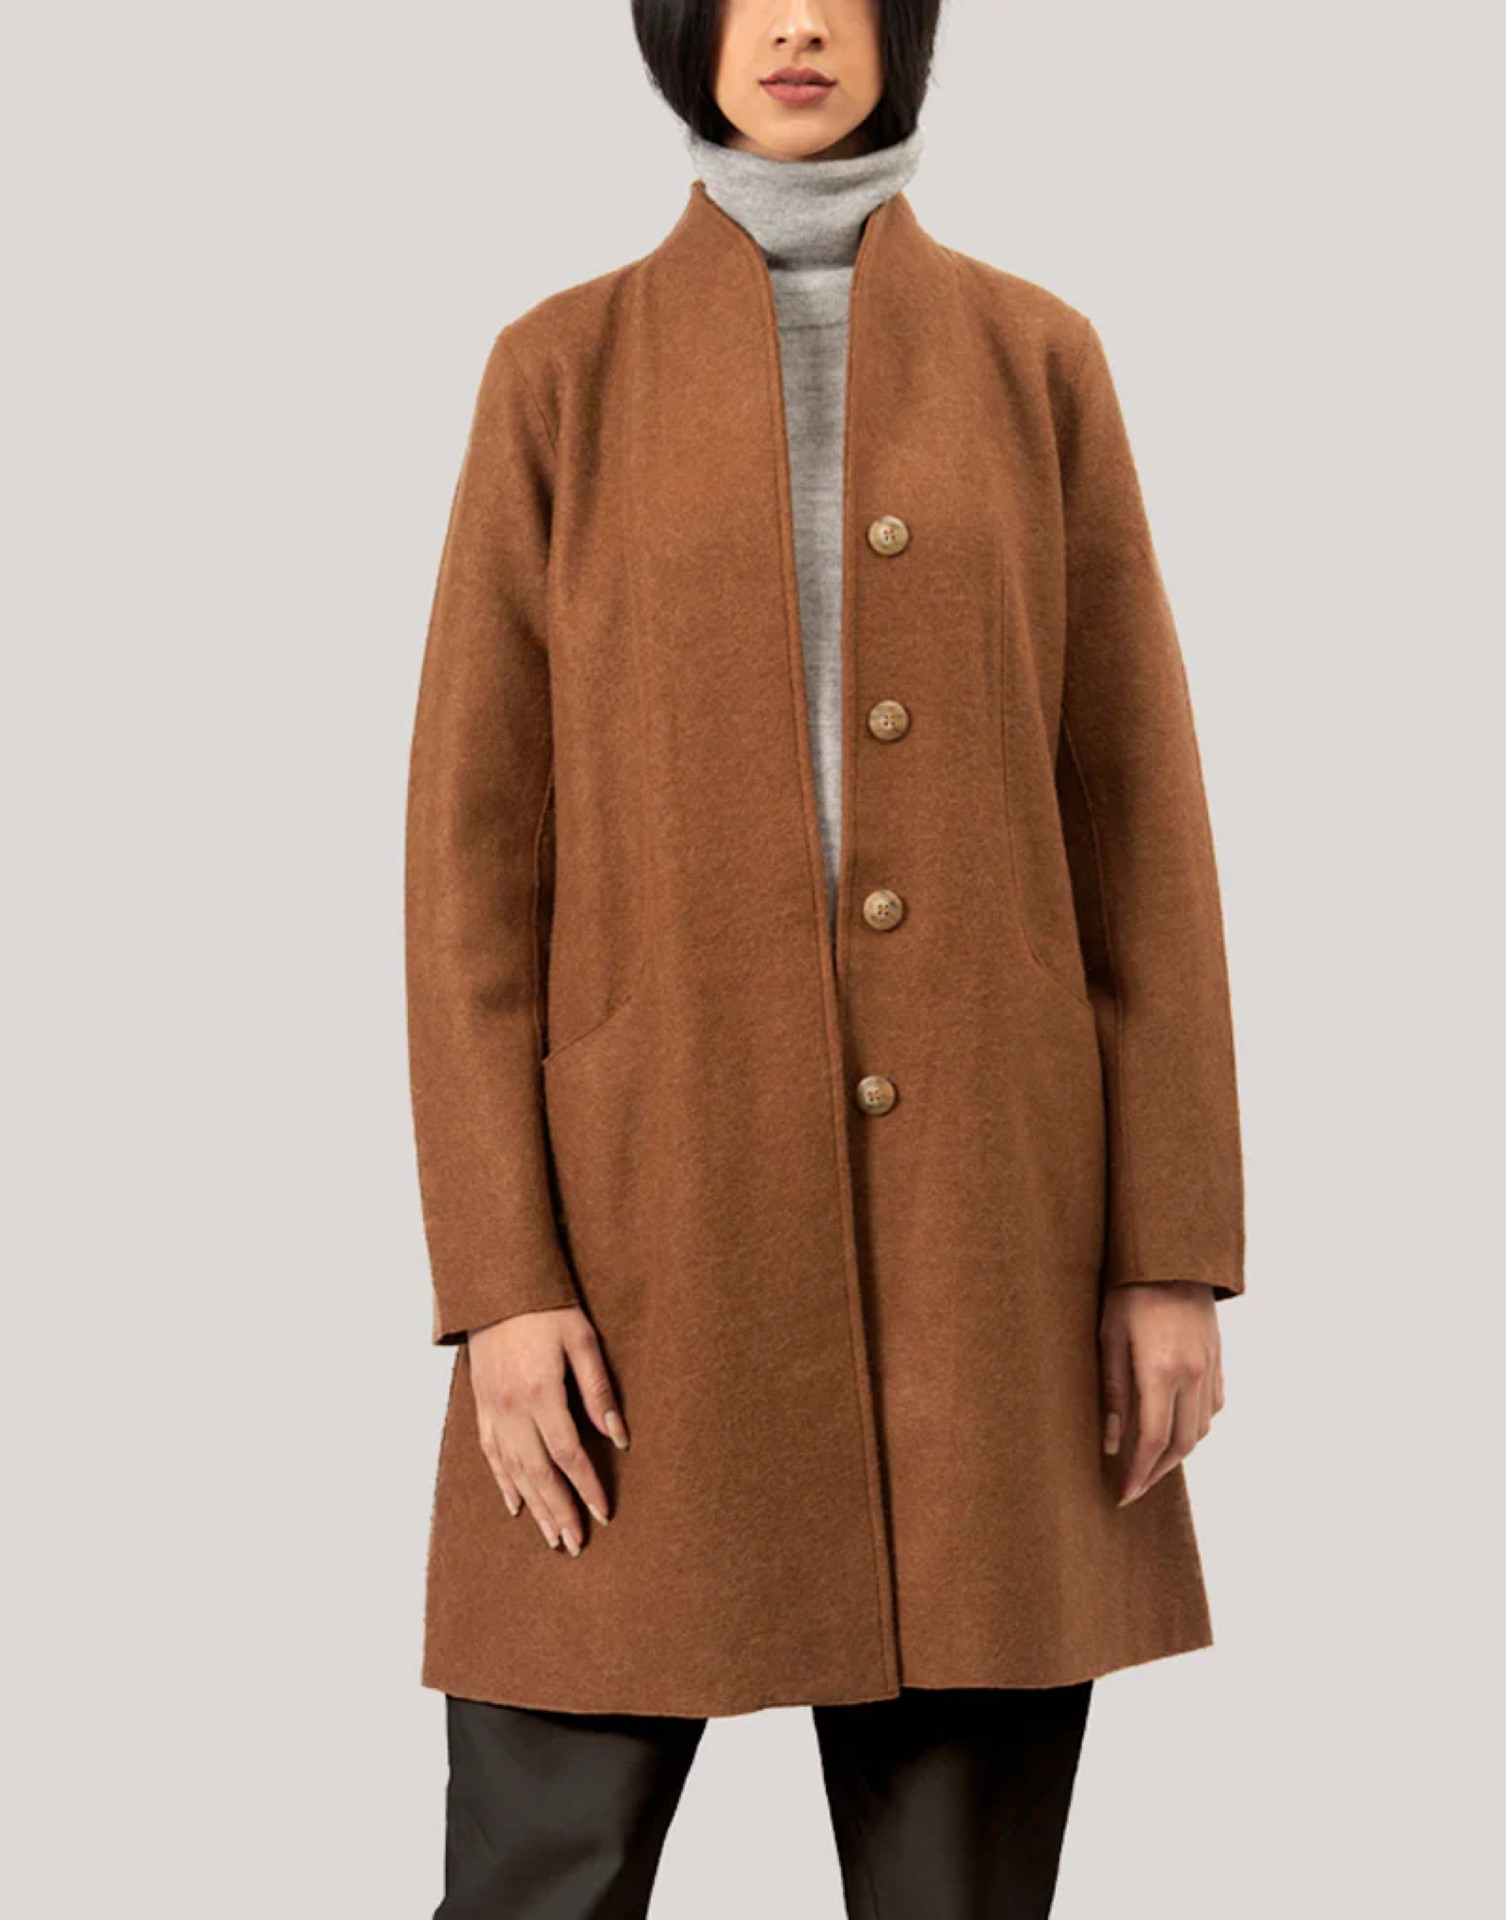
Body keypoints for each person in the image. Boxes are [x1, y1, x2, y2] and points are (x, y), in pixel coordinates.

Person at [404, 2, 1244, 1913]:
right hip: (643, 1250)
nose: (796, 20)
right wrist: (500, 1283)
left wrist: (1169, 1246)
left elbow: (1139, 821)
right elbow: (468, 872)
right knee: (539, 1876)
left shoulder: (1037, 360)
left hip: (991, 1260)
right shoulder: (558, 372)